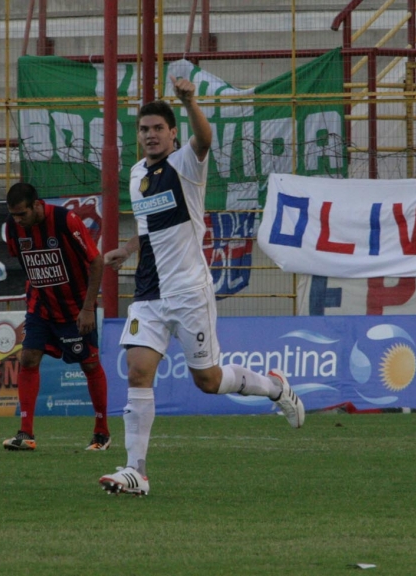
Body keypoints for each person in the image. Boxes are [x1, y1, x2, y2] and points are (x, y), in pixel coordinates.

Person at [98, 75, 305, 497]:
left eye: (159, 128)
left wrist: (190, 102)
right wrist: (128, 247)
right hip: (149, 294)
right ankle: (136, 471)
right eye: (144, 129)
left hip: (190, 292)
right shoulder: (138, 174)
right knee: (138, 371)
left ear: (172, 134)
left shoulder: (187, 165)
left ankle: (274, 387)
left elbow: (205, 138)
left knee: (208, 381)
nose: (151, 135)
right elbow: (151, 228)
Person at [1, 182, 110, 452]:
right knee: (28, 358)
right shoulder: (14, 227)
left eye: (22, 214)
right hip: (41, 305)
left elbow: (96, 261)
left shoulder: (65, 220)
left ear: (37, 204)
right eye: (13, 215)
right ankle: (25, 433)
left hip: (75, 308)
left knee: (90, 365)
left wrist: (87, 309)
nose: (18, 220)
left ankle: (102, 433)